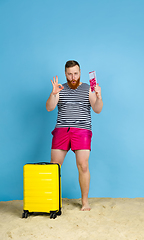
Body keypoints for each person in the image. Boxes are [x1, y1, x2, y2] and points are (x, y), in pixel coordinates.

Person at [46, 60, 103, 211]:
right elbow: (49, 108)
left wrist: (99, 96)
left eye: (76, 73)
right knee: (54, 167)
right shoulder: (59, 88)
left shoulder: (88, 88)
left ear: (80, 73)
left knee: (83, 166)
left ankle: (85, 202)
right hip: (61, 130)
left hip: (82, 131)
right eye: (70, 74)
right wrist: (53, 94)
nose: (73, 77)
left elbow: (97, 109)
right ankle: (51, 200)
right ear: (65, 74)